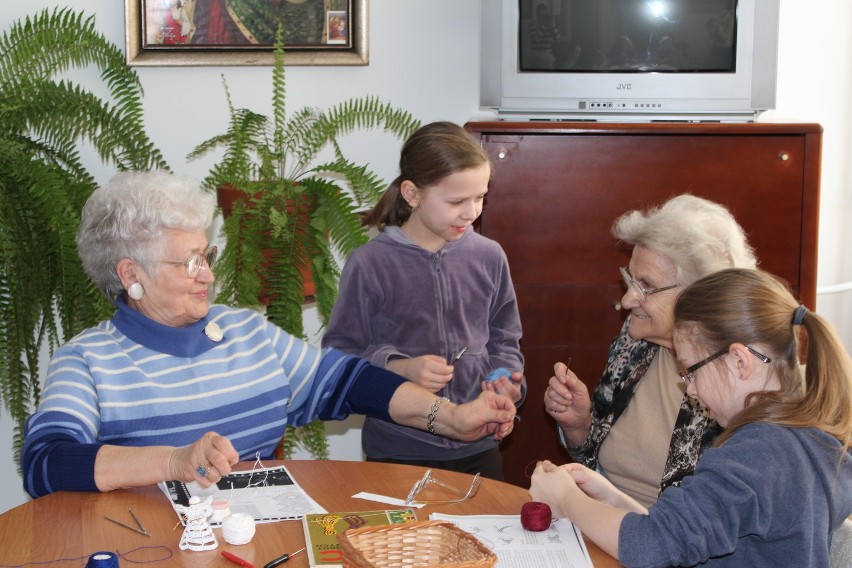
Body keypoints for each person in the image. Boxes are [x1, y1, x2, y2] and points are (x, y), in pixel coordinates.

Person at [20, 170, 518, 499]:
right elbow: (45, 463)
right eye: (190, 262)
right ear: (132, 274)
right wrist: (175, 461)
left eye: (207, 257)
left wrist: (452, 418)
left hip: (254, 540)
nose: (208, 276)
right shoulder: (87, 360)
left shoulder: (247, 333)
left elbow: (347, 381)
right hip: (143, 545)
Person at [531, 268, 852, 567]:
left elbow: (652, 546)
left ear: (739, 361)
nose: (691, 390)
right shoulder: (810, 437)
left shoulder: (758, 451)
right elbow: (683, 536)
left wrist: (566, 499)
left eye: (691, 372)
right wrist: (612, 498)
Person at [322, 121, 525, 480]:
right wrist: (400, 367)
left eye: (480, 197)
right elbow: (339, 353)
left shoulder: (490, 256)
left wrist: (505, 379)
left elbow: (505, 339)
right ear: (412, 194)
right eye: (456, 201)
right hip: (398, 448)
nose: (471, 212)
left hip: (479, 447)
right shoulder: (371, 263)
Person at [544, 194, 756, 507]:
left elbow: (705, 526)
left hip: (663, 544)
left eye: (646, 286)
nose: (628, 300)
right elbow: (590, 462)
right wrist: (578, 426)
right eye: (630, 278)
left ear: (701, 294)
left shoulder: (734, 378)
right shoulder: (637, 342)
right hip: (605, 522)